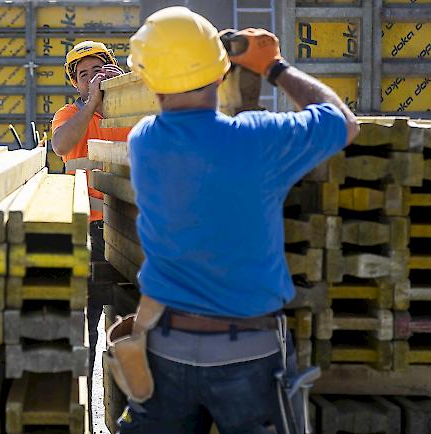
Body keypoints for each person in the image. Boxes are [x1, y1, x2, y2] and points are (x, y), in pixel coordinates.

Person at [117, 7, 359, 434]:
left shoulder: (145, 141)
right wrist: (272, 66)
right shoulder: (258, 141)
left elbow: (209, 142)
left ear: (150, 78)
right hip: (249, 354)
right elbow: (341, 121)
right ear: (220, 70)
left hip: (164, 349)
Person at [50, 40, 132, 409]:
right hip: (88, 233)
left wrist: (125, 90)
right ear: (75, 84)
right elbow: (61, 145)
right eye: (83, 75)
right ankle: (78, 410)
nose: (90, 79)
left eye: (97, 71)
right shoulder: (70, 115)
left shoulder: (129, 111)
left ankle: (127, 412)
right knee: (84, 327)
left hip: (129, 231)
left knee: (129, 326)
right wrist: (93, 103)